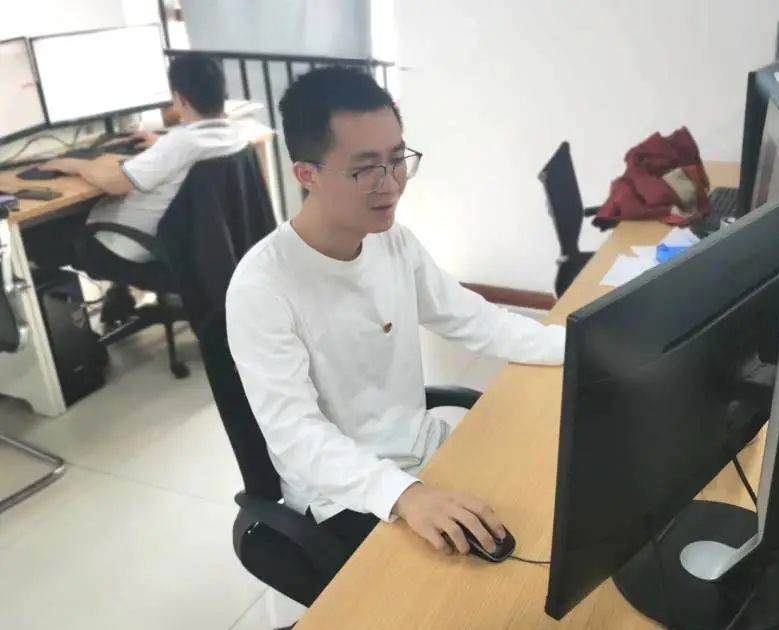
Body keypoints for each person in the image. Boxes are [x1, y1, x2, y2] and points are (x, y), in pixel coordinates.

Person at [226, 67, 566, 567]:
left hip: (423, 454)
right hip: (342, 495)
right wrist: (405, 495)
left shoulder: (392, 242)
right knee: (486, 583)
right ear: (307, 174)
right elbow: (296, 435)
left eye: (397, 159)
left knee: (552, 501)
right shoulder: (263, 287)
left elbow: (474, 319)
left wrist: (578, 345)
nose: (391, 184)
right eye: (365, 169)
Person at [26, 52, 247, 325]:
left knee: (36, 237)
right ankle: (117, 304)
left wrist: (76, 165)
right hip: (194, 243)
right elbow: (186, 149)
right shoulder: (234, 135)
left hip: (135, 246)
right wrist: (161, 144)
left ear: (179, 99)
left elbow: (115, 183)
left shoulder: (180, 144)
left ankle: (51, 337)